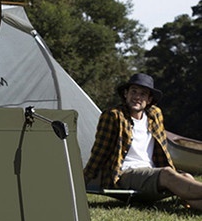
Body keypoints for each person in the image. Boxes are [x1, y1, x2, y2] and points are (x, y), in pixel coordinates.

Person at [84, 72, 202, 210]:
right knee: (167, 174)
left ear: (149, 99)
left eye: (143, 94)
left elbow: (163, 148)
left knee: (186, 176)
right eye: (133, 92)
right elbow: (99, 152)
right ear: (126, 94)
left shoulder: (154, 115)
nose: (137, 97)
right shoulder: (114, 116)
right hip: (125, 173)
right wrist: (82, 181)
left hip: (151, 172)